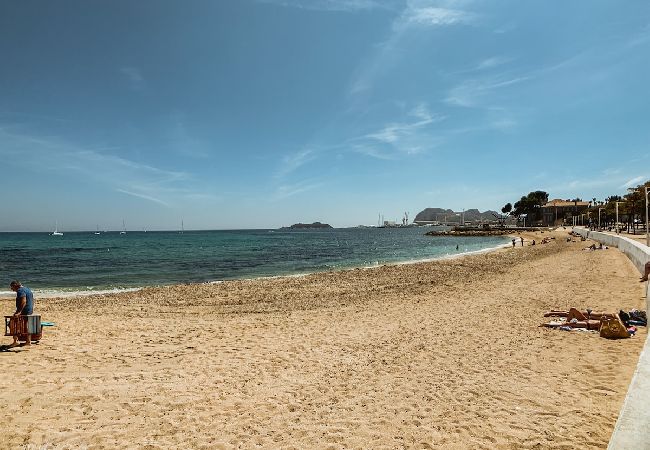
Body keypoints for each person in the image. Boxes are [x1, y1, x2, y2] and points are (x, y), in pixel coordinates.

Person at [9, 280, 35, 347]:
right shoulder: (27, 289)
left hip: (24, 311)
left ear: (15, 285)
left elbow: (24, 301)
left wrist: (19, 312)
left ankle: (16, 341)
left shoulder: (20, 290)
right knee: (26, 325)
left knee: (12, 323)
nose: (12, 289)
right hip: (29, 310)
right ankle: (28, 341)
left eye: (12, 287)